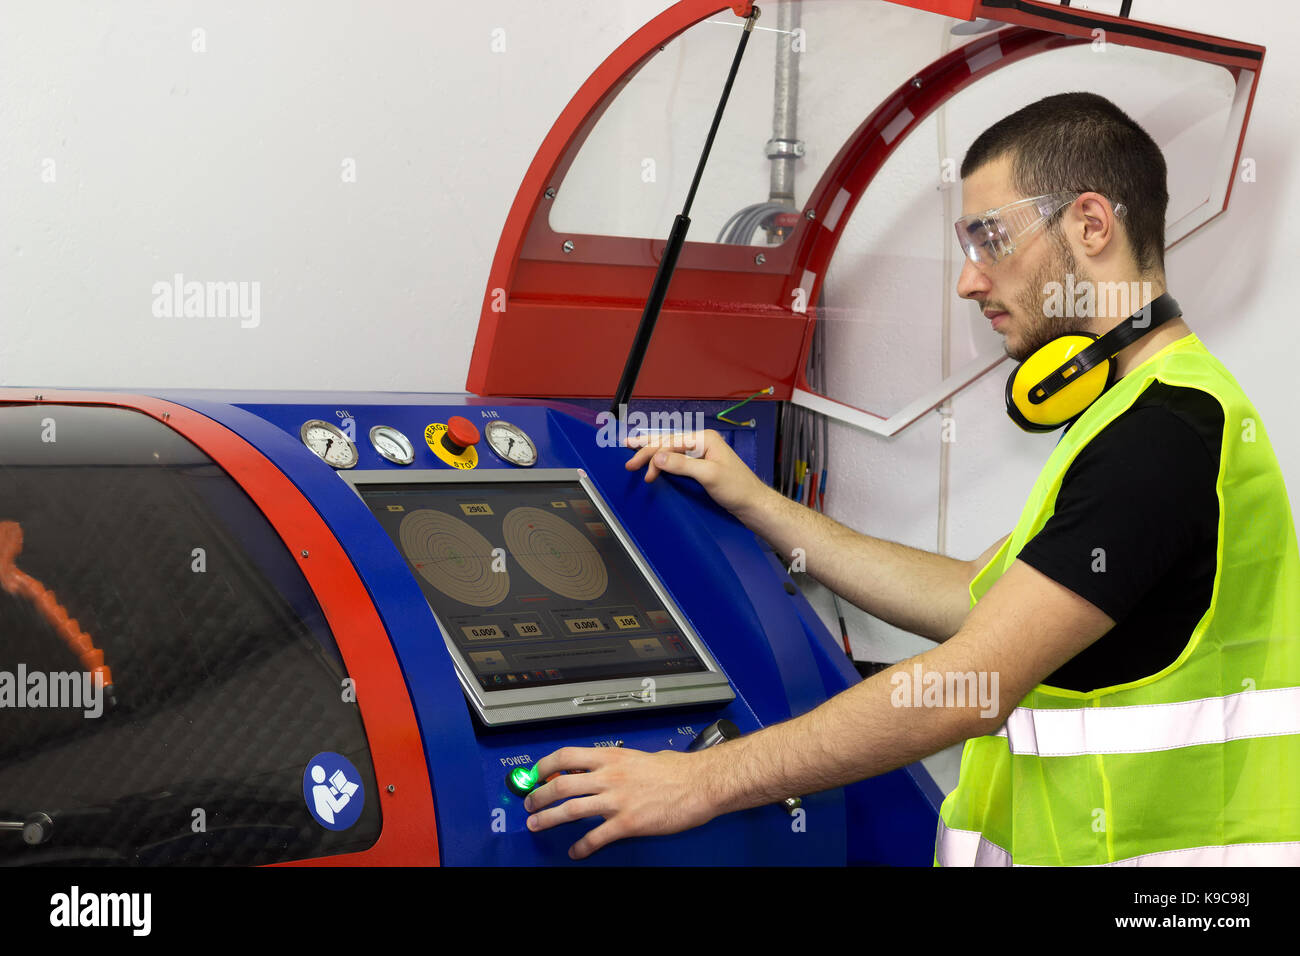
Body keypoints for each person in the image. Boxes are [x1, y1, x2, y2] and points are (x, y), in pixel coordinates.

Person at [524, 92, 1300, 865]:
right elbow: (972, 600)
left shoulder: (1160, 434)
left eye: (989, 240)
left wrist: (698, 782)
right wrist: (759, 505)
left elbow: (974, 680)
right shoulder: (1141, 414)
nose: (969, 282)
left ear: (1092, 225)